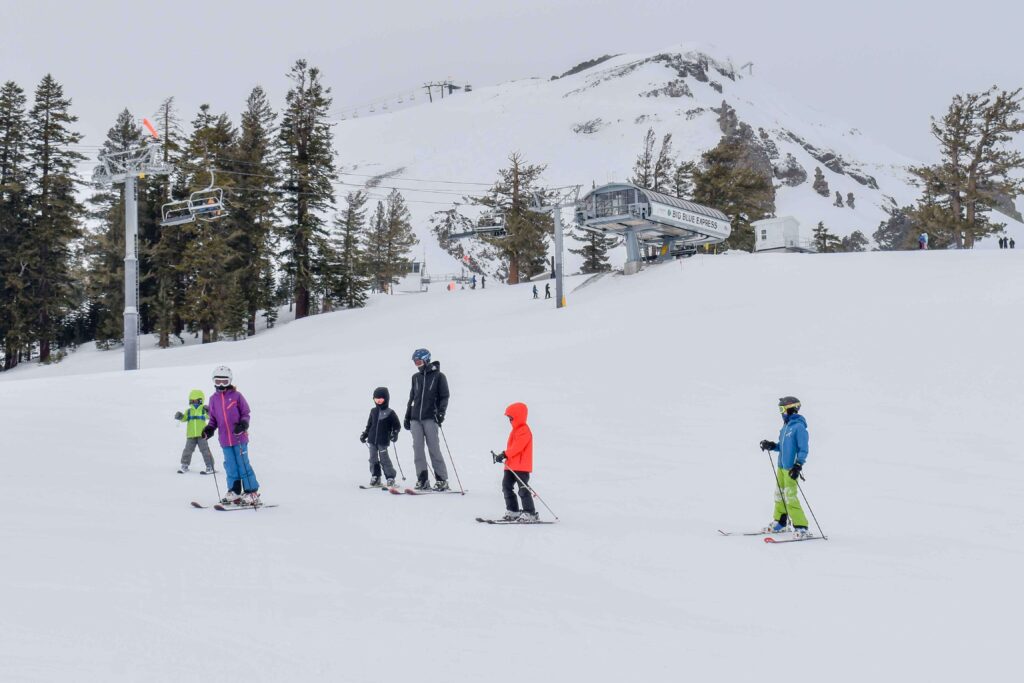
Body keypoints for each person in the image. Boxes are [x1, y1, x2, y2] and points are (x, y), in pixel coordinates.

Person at [202, 366, 261, 506]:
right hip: (224, 440)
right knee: (230, 466)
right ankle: (234, 492)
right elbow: (213, 420)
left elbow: (246, 413)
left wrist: (243, 425)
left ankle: (251, 493)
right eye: (218, 381)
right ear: (213, 382)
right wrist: (209, 429)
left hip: (239, 437)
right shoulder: (213, 399)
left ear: (230, 381)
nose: (221, 385)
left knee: (243, 465)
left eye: (224, 381)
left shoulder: (237, 396)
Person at [759, 396, 811, 538]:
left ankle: (801, 527)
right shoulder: (785, 427)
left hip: (791, 469)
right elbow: (782, 447)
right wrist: (772, 446)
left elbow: (803, 449)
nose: (781, 412)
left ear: (791, 409)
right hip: (781, 467)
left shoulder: (799, 428)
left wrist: (798, 465)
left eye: (782, 409)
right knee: (779, 494)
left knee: (790, 496)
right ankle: (781, 522)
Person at [404, 349, 450, 490]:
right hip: (415, 419)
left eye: (418, 361)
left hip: (430, 417)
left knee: (434, 448)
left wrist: (441, 413)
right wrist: (407, 415)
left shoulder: (439, 376)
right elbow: (412, 398)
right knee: (417, 449)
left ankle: (442, 480)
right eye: (415, 362)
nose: (417, 365)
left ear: (426, 360)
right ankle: (422, 479)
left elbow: (444, 396)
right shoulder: (415, 377)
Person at [491, 402, 538, 522]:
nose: (509, 420)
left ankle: (530, 513)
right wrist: (503, 456)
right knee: (506, 486)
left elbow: (518, 447)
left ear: (518, 417)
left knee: (523, 489)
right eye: (509, 418)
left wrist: (504, 454)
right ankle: (513, 511)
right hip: (510, 465)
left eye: (511, 418)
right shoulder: (515, 431)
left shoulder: (524, 430)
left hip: (521, 466)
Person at [360, 387, 400, 487]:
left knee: (384, 459)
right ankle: (376, 476)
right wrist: (365, 434)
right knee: (373, 458)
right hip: (372, 440)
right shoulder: (373, 411)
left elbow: (397, 425)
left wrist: (394, 433)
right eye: (376, 400)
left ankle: (390, 477)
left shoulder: (390, 412)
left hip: (383, 440)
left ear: (386, 399)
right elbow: (369, 425)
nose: (378, 402)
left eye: (381, 400)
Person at [174, 389, 215, 474]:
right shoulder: (189, 411)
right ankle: (185, 465)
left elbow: (210, 417)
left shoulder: (203, 410)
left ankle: (210, 466)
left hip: (202, 434)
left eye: (197, 401)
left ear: (201, 400)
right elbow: (184, 418)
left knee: (205, 450)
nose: (195, 403)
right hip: (191, 435)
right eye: (192, 401)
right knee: (187, 450)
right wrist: (180, 416)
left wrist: (209, 411)